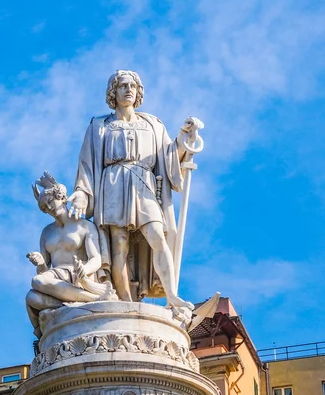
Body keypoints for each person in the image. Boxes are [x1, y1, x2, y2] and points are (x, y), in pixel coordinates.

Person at [68, 70, 199, 308]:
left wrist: (183, 140)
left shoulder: (153, 124)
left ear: (139, 92)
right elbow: (87, 165)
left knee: (158, 237)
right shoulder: (100, 126)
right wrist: (80, 194)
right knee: (119, 246)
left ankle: (172, 295)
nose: (129, 90)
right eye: (123, 86)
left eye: (133, 86)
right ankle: (125, 302)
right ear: (113, 92)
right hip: (113, 183)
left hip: (144, 183)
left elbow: (169, 158)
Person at [26, 172, 116, 338]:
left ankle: (91, 298)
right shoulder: (47, 232)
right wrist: (40, 262)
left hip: (77, 275)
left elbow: (96, 258)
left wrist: (85, 270)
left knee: (37, 281)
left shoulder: (84, 226)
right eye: (44, 207)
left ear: (61, 196)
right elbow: (44, 269)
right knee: (31, 298)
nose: (49, 208)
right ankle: (85, 302)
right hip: (55, 277)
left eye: (50, 201)